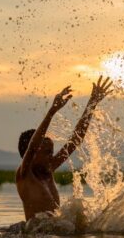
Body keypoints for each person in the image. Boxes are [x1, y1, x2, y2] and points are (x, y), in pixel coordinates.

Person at [16, 76, 113, 221]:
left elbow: (74, 141)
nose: (52, 156)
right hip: (36, 235)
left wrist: (92, 103)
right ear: (33, 154)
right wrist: (52, 112)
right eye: (47, 152)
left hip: (53, 232)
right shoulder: (25, 175)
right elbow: (32, 147)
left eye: (52, 152)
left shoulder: (48, 170)